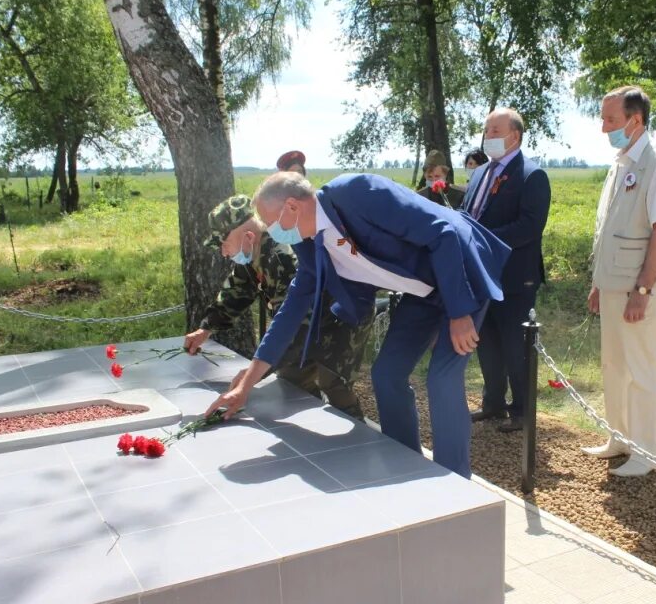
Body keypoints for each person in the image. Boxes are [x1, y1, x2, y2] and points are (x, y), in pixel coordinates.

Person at [204, 172, 510, 479]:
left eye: (270, 222)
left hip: (461, 272)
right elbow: (290, 312)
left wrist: (459, 312)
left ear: (293, 207)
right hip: (423, 292)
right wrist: (245, 387)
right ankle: (404, 463)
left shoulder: (356, 192)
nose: (270, 231)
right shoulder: (308, 243)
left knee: (442, 379)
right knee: (386, 374)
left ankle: (454, 482)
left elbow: (442, 233)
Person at [184, 195, 372, 418]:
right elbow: (237, 292)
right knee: (292, 380)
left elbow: (296, 326)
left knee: (334, 383)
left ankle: (357, 439)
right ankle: (315, 427)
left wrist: (252, 375)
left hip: (341, 321)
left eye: (223, 244)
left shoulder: (283, 257)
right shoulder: (253, 252)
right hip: (302, 327)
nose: (223, 252)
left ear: (247, 235)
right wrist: (206, 328)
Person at [584, 86, 656, 477]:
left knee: (642, 367)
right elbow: (610, 227)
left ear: (635, 120)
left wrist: (643, 290)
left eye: (610, 119)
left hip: (641, 288)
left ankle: (647, 452)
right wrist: (598, 282)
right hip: (613, 284)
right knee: (614, 364)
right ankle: (619, 437)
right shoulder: (622, 161)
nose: (604, 127)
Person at [461, 108, 551, 432]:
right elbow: (467, 213)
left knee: (517, 346)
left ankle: (523, 411)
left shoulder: (532, 175)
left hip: (514, 277)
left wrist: (482, 240)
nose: (488, 137)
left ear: (514, 136)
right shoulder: (480, 172)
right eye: (486, 131)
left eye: (495, 131)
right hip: (482, 275)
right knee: (488, 342)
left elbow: (529, 226)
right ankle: (493, 403)